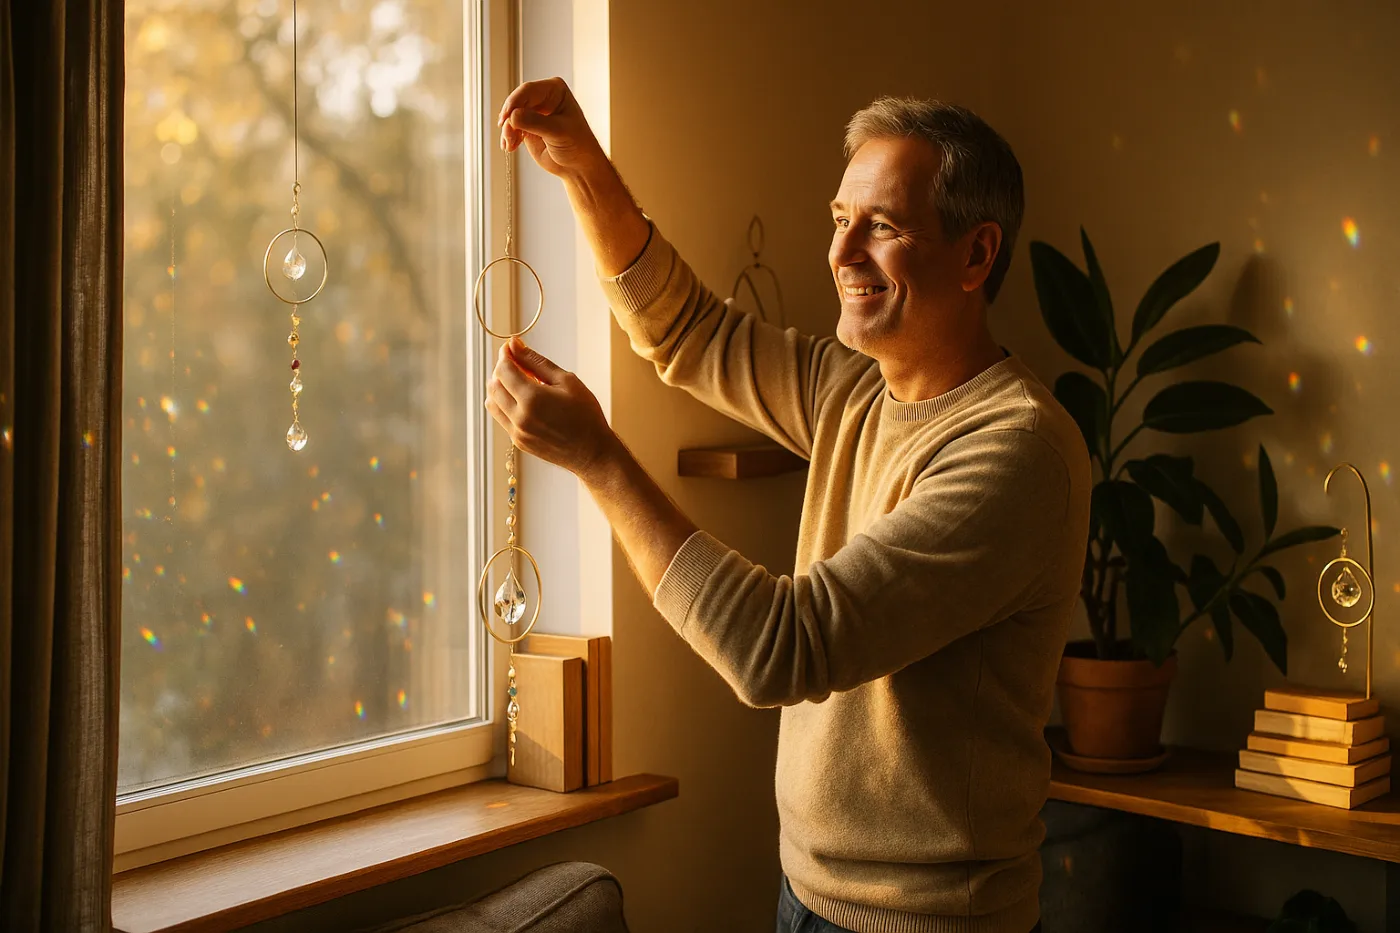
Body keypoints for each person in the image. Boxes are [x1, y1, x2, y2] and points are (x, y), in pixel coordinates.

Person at [488, 77, 1089, 933]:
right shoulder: (857, 391)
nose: (842, 254)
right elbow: (688, 330)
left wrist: (599, 459)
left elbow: (780, 646)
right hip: (804, 897)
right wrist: (584, 168)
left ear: (976, 254)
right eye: (840, 220)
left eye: (882, 226)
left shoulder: (1018, 451)